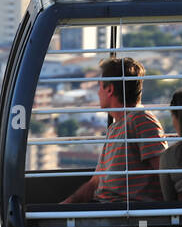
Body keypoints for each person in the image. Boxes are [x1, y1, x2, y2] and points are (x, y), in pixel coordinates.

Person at [62, 56, 167, 204]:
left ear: (110, 89)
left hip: (122, 216)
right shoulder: (114, 129)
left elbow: (164, 174)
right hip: (105, 210)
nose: (98, 92)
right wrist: (64, 206)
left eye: (99, 86)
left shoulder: (141, 121)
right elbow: (94, 183)